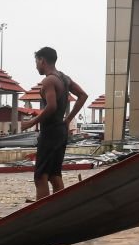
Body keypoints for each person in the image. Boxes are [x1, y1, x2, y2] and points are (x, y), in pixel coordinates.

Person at [21, 47, 89, 200]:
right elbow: (83, 95)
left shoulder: (49, 80)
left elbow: (51, 106)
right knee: (54, 175)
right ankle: (59, 212)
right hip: (60, 130)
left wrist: (32, 122)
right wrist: (67, 120)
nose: (36, 66)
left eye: (36, 62)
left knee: (40, 177)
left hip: (50, 132)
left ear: (42, 60)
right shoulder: (65, 78)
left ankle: (42, 216)